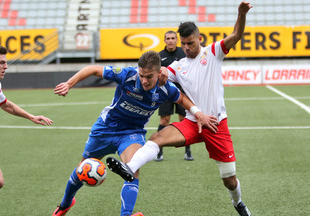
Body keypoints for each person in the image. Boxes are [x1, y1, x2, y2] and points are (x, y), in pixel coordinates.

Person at [106, 2, 253, 216]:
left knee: (229, 180)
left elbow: (236, 35)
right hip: (193, 122)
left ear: (199, 39)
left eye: (190, 43)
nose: (186, 47)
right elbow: (162, 72)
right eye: (183, 44)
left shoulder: (213, 52)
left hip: (215, 124)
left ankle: (238, 203)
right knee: (157, 137)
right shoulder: (179, 65)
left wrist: (241, 14)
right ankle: (129, 168)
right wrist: (160, 74)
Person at [51, 50, 217, 216]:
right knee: (83, 168)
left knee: (133, 169)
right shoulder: (128, 75)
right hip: (106, 128)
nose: (144, 80)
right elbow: (93, 69)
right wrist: (69, 83)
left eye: (149, 76)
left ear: (159, 73)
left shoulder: (166, 88)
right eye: (141, 75)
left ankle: (126, 214)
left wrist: (198, 113)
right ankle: (65, 204)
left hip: (132, 133)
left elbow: (181, 98)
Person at [0, 44, 53, 197]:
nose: (6, 66)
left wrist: (31, 116)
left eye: (6, 62)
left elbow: (7, 105)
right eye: (2, 62)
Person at [155, 30, 193, 162]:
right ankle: (159, 151)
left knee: (184, 120)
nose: (170, 40)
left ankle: (188, 152)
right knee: (164, 120)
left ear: (176, 40)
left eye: (173, 38)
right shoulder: (159, 56)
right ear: (164, 40)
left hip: (182, 92)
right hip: (165, 93)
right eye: (168, 38)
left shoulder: (183, 53)